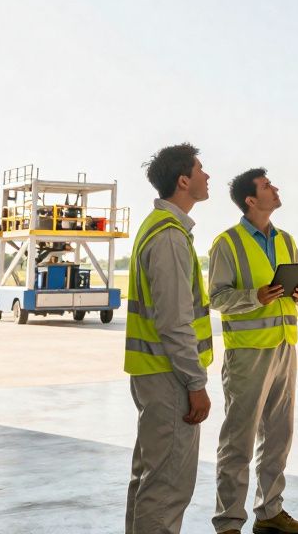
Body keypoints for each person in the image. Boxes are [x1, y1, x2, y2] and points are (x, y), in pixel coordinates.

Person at [209, 168, 298, 534]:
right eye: (268, 186)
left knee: (279, 437)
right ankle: (228, 522)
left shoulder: (286, 239)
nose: (276, 188)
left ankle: (270, 511)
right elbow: (217, 297)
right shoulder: (228, 243)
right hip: (248, 354)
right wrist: (256, 297)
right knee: (238, 439)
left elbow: (297, 293)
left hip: (285, 348)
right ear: (251, 200)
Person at [125, 144, 215, 534]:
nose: (207, 176)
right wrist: (196, 383)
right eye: (200, 169)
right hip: (170, 378)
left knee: (149, 479)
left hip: (154, 373)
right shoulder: (169, 238)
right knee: (167, 488)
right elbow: (176, 323)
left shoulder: (159, 228)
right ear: (183, 180)